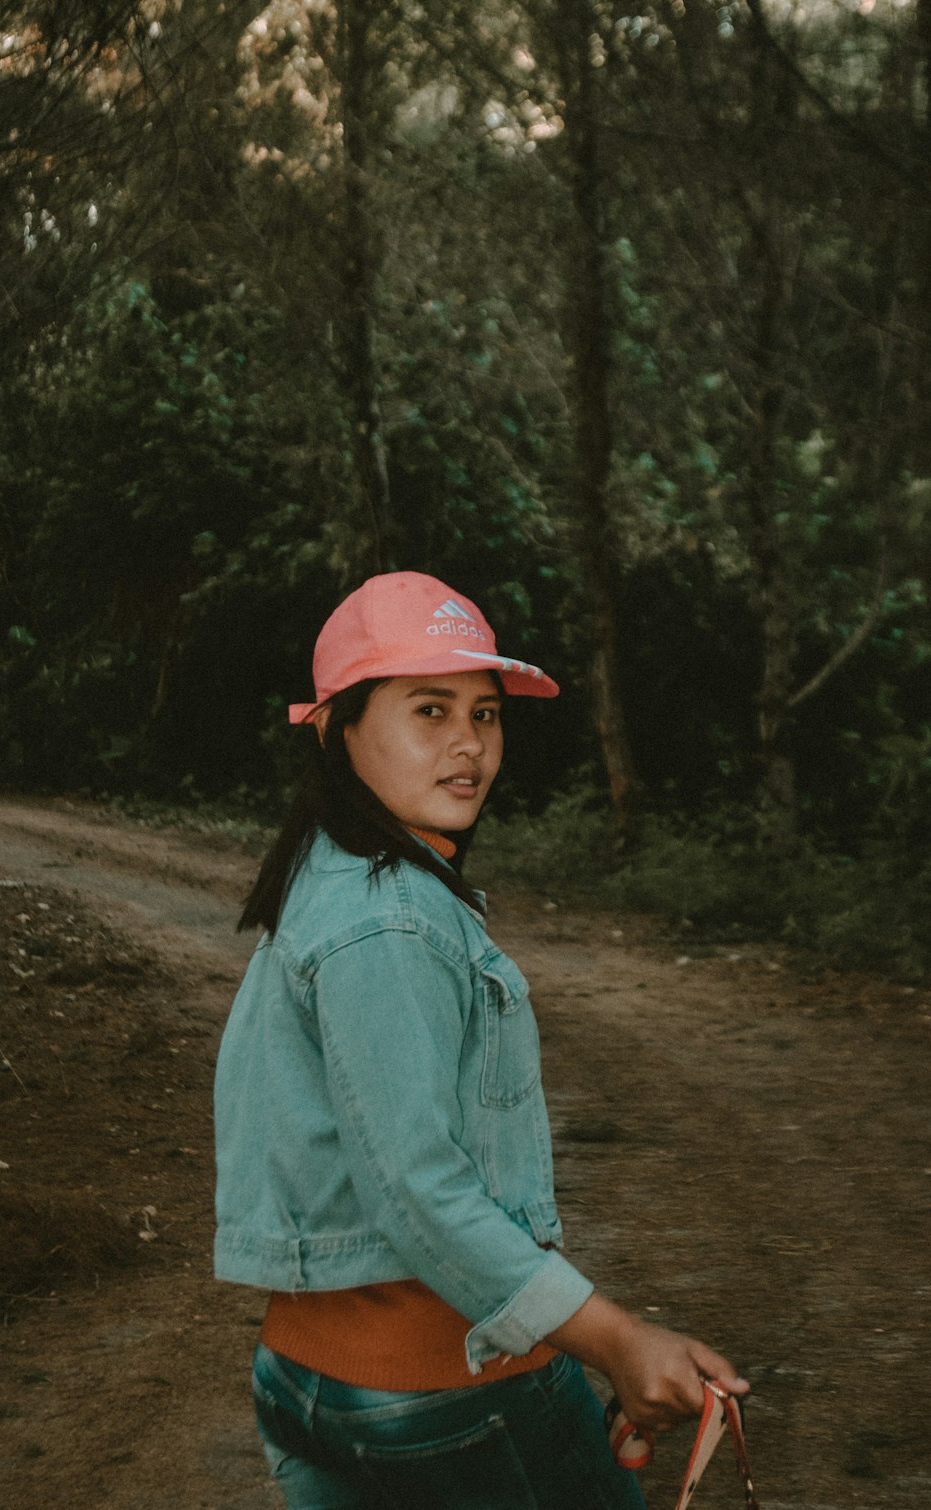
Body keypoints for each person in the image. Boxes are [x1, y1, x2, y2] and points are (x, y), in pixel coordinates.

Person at [214, 571, 749, 1510]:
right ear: (340, 728)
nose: (469, 744)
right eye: (430, 709)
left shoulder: (330, 871)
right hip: (439, 1394)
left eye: (487, 714)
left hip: (307, 1382)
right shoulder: (390, 922)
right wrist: (619, 1345)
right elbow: (418, 1188)